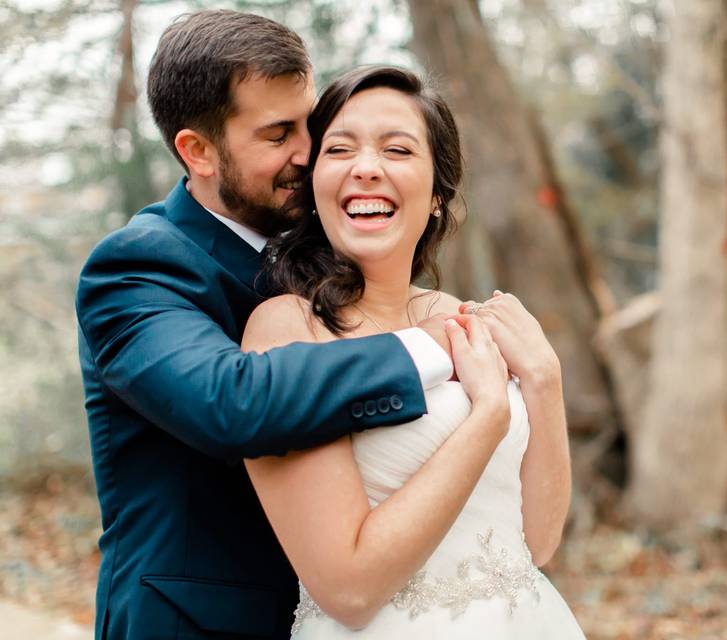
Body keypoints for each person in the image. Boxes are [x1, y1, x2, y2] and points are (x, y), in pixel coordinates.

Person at [75, 12, 459, 640]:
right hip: (198, 624)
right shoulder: (136, 267)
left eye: (310, 122)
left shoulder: (324, 250)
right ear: (197, 151)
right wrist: (431, 347)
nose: (308, 153)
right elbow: (233, 402)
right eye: (279, 133)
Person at [241, 65, 585, 638]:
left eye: (397, 150)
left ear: (435, 196)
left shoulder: (459, 317)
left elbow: (539, 541)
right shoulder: (286, 332)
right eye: (340, 149)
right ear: (315, 184)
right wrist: (488, 419)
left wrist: (545, 381)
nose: (366, 168)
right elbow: (347, 588)